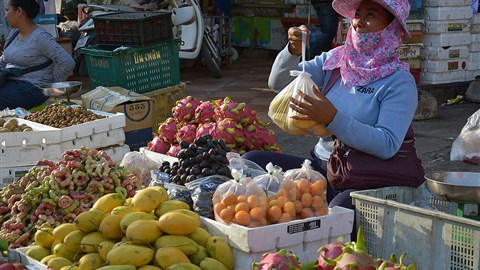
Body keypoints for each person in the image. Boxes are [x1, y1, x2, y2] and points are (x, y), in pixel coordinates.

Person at [243, 0, 423, 239]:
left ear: (391, 27)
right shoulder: (337, 60)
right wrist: (293, 51)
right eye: (357, 14)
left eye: (371, 15)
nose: (359, 22)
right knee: (251, 163)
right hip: (322, 168)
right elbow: (278, 84)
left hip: (362, 179)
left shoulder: (399, 81)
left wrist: (333, 118)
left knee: (335, 214)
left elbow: (387, 144)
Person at [0, 0, 75, 110]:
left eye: (7, 10)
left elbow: (68, 63)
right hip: (10, 82)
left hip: (32, 88)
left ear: (19, 11)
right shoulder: (14, 34)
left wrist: (51, 88)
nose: (6, 15)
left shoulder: (40, 37)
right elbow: (4, 60)